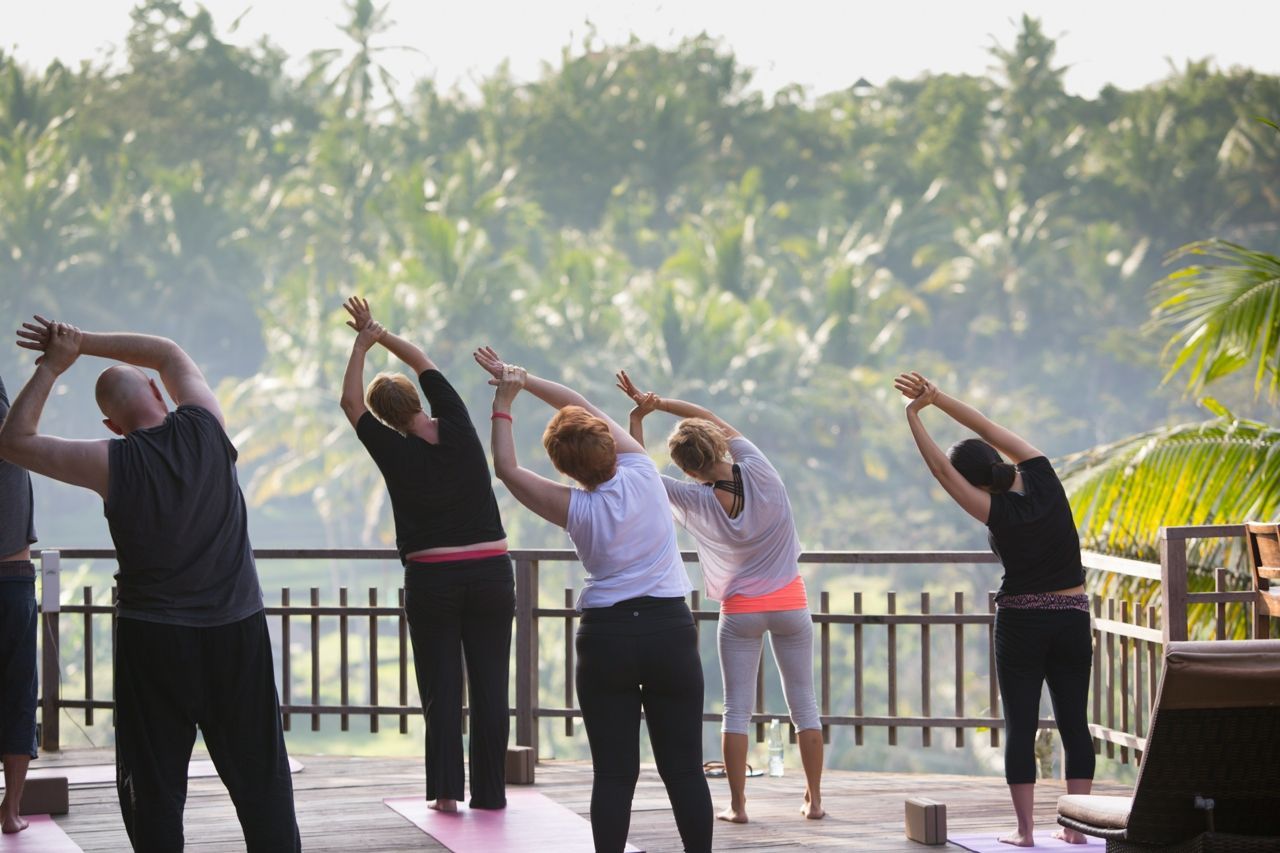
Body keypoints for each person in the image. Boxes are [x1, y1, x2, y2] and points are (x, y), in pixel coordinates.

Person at [0, 316, 300, 852]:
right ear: (160, 392)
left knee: (155, 795)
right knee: (264, 786)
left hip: (154, 642)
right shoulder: (207, 426)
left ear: (111, 425)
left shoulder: (110, 461)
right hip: (236, 632)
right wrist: (82, 342)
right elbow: (165, 350)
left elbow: (14, 441)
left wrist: (54, 364)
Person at [475, 347, 713, 853]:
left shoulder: (573, 508)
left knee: (613, 775)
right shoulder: (644, 472)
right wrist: (523, 377)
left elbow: (507, 469)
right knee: (685, 771)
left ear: (564, 468)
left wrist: (504, 402)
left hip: (605, 638)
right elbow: (577, 401)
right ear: (609, 442)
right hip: (668, 631)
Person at [615, 371, 825, 825]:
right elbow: (709, 416)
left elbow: (639, 473)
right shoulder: (760, 469)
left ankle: (738, 805)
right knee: (804, 704)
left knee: (736, 710)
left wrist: (638, 417)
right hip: (791, 602)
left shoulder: (695, 499)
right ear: (718, 446)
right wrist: (660, 402)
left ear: (688, 469)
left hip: (741, 611)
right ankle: (814, 799)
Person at [894, 371, 1093, 847]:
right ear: (997, 460)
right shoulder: (1044, 472)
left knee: (1021, 725)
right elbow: (984, 426)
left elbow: (942, 470)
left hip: (1022, 622)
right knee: (1073, 722)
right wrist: (937, 398)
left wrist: (913, 415)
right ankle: (1075, 829)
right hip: (1072, 616)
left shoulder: (992, 510)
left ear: (973, 481)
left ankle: (1025, 832)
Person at [339, 297, 513, 812]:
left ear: (386, 419)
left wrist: (359, 344)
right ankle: (491, 793)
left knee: (441, 690)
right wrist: (379, 332)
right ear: (417, 400)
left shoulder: (392, 450)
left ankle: (444, 795)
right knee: (489, 687)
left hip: (433, 580)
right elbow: (422, 361)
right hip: (490, 573)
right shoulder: (457, 424)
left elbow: (350, 403)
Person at [0, 372, 38, 835]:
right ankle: (10, 811)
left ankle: (11, 809)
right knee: (16, 695)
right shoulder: (12, 439)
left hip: (12, 576)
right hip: (10, 577)